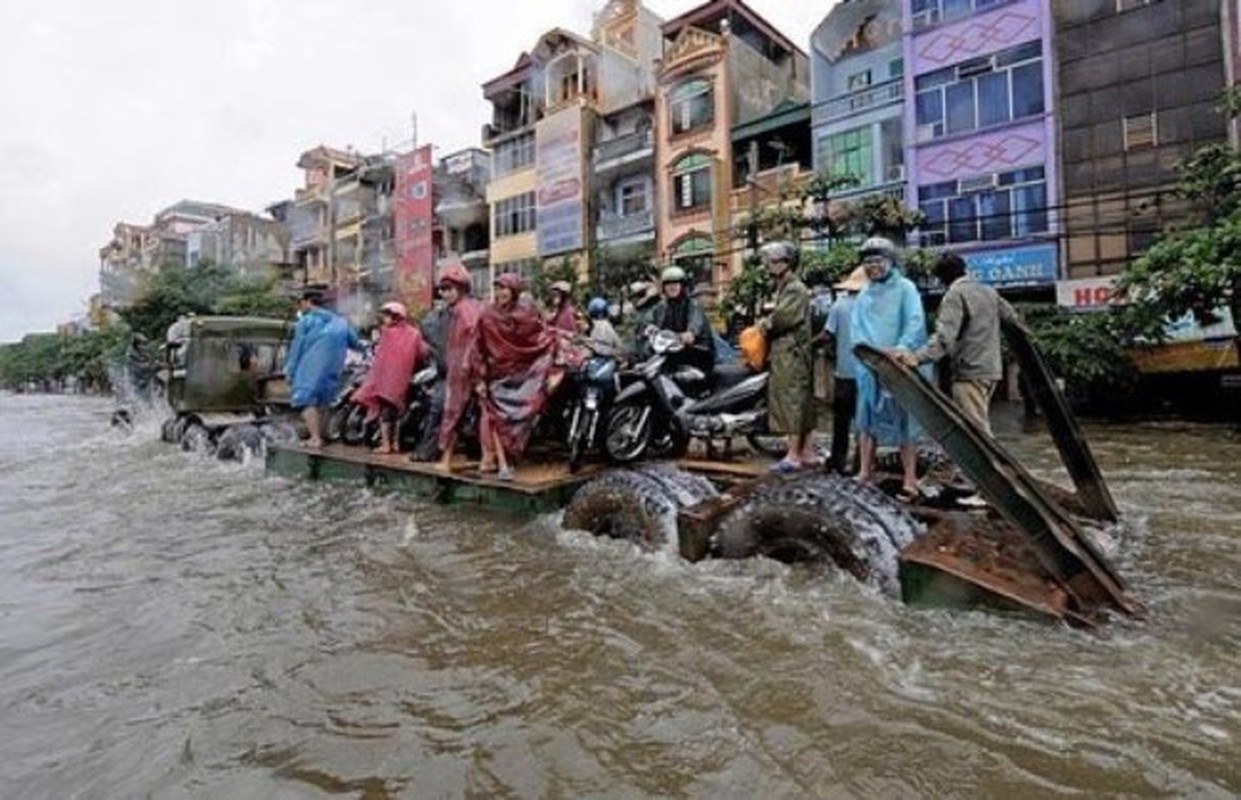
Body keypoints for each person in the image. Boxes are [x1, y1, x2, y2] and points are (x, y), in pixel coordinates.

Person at [899, 251, 1019, 437]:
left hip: (968, 370)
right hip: (992, 368)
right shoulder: (988, 291)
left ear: (941, 278)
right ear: (964, 270)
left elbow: (944, 338)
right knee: (979, 423)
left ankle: (991, 466)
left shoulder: (955, 295)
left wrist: (916, 358)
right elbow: (1012, 319)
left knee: (977, 433)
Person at [850, 237, 928, 502]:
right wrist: (868, 354)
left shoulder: (906, 288)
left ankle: (909, 477)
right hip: (870, 367)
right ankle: (864, 471)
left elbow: (915, 322)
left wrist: (900, 347)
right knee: (866, 421)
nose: (872, 267)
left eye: (877, 261)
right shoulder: (863, 294)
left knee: (906, 423)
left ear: (890, 261)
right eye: (867, 262)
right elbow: (856, 330)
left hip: (898, 364)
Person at [473, 272, 560, 480]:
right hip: (496, 376)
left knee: (519, 420)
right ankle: (503, 464)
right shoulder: (487, 316)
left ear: (514, 290)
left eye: (505, 288)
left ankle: (510, 460)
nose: (501, 292)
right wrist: (479, 379)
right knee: (496, 419)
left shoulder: (526, 315)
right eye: (498, 288)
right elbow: (478, 348)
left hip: (523, 376)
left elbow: (539, 339)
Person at [759, 241, 816, 472]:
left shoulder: (794, 288)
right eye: (770, 262)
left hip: (791, 352)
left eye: (775, 261)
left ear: (787, 263)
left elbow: (783, 318)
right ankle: (807, 451)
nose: (771, 266)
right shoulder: (784, 286)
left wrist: (764, 324)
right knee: (801, 400)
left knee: (792, 400)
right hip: (790, 352)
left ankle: (794, 454)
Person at [286, 289, 362, 449]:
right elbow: (356, 343)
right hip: (333, 368)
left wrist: (290, 371)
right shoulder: (341, 322)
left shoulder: (306, 322)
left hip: (309, 367)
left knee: (305, 401)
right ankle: (324, 435)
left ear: (307, 302)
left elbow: (296, 348)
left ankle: (315, 438)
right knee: (325, 401)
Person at [353, 302, 430, 454]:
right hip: (403, 379)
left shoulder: (387, 333)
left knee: (385, 414)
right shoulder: (414, 333)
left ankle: (386, 444)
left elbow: (381, 355)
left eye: (387, 316)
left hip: (386, 379)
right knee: (398, 412)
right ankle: (395, 444)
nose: (384, 319)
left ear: (396, 317)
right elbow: (423, 352)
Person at [435, 263, 485, 471]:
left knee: (453, 414)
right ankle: (488, 459)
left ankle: (446, 460)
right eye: (442, 289)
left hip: (465, 370)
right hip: (469, 368)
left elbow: (474, 341)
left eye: (448, 289)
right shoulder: (468, 308)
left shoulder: (464, 310)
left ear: (461, 288)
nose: (444, 294)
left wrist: (470, 367)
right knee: (484, 413)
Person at [824, 266, 866, 475]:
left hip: (843, 374)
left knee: (840, 423)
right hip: (867, 374)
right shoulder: (872, 306)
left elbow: (828, 337)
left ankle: (837, 461)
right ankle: (860, 464)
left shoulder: (838, 306)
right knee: (864, 424)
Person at [645, 266, 715, 371]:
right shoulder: (661, 307)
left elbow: (695, 325)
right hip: (673, 354)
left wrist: (690, 333)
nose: (672, 287)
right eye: (668, 284)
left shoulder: (692, 305)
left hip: (698, 355)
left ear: (682, 286)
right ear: (664, 287)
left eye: (676, 283)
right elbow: (651, 321)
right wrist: (650, 328)